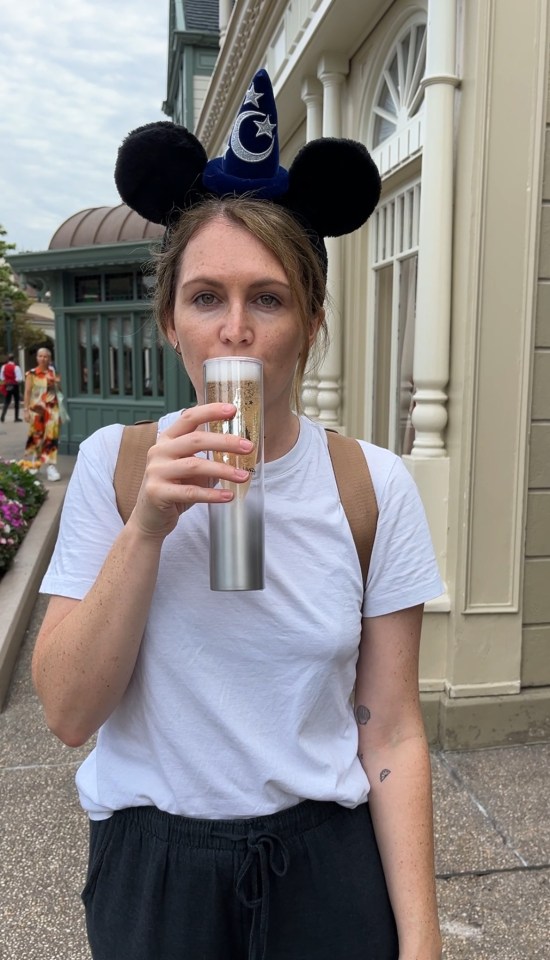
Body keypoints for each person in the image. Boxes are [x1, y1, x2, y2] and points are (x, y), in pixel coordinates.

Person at [32, 70, 444, 960]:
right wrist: (146, 527)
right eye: (206, 297)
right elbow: (68, 712)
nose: (236, 329)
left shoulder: (374, 486)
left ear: (311, 322)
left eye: (269, 298)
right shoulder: (115, 468)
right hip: (156, 868)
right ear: (171, 323)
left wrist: (422, 940)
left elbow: (393, 728)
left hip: (323, 863)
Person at [23, 347, 62, 481]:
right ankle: (35, 463)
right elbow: (27, 393)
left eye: (45, 356)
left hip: (52, 410)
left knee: (51, 438)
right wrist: (26, 410)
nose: (43, 358)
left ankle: (51, 466)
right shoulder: (31, 374)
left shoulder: (54, 373)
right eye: (40, 356)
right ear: (37, 358)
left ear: (49, 359)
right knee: (36, 437)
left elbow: (59, 392)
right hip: (37, 410)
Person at [0, 352, 24, 422]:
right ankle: (16, 418)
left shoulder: (4, 367)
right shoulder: (16, 367)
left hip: (7, 385)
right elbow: (19, 379)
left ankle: (2, 416)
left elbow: (1, 377)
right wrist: (16, 382)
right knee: (16, 401)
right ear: (14, 359)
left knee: (7, 401)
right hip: (14, 385)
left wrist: (5, 383)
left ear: (8, 359)